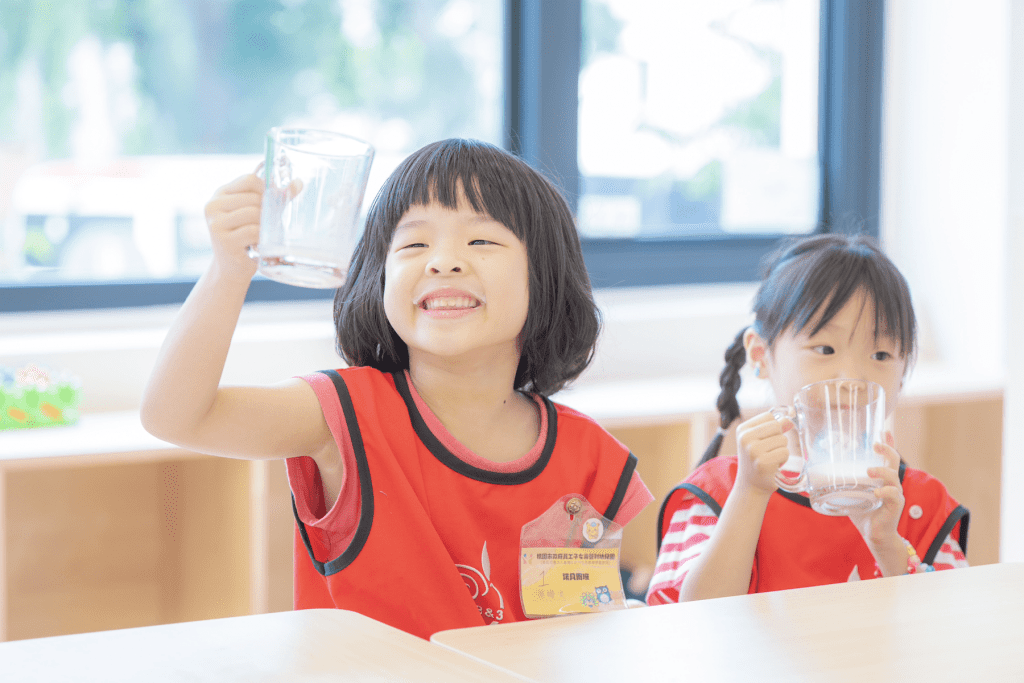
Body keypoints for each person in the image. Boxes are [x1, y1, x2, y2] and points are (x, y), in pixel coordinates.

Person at [141, 138, 652, 639]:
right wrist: (229, 268)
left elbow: (604, 620)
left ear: (545, 278)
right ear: (377, 278)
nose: (443, 261)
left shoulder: (592, 459)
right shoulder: (342, 416)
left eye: (481, 240)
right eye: (413, 244)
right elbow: (178, 416)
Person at [646, 233, 969, 605]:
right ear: (761, 355)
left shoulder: (921, 504)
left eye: (881, 354)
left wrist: (888, 546)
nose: (851, 377)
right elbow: (682, 629)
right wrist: (749, 494)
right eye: (825, 348)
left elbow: (954, 634)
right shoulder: (716, 493)